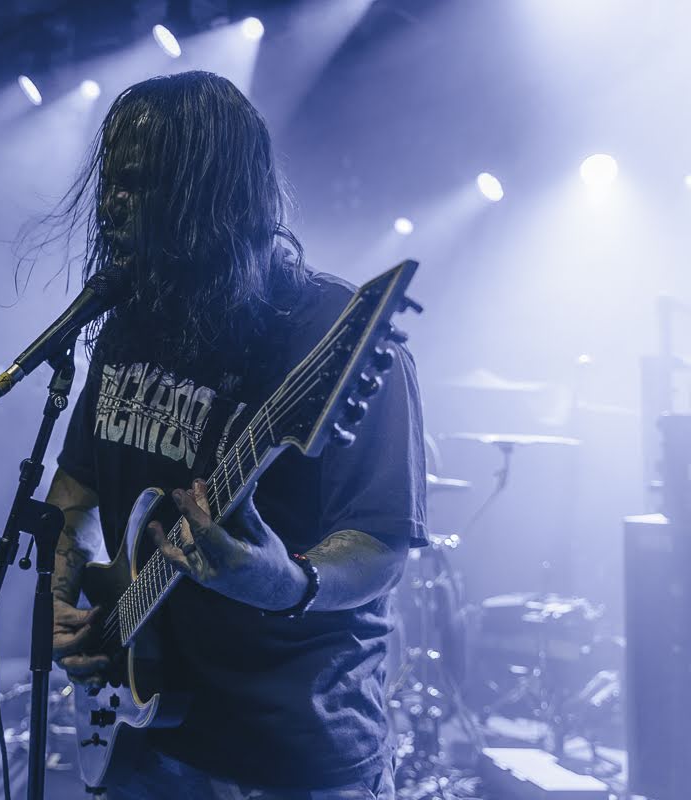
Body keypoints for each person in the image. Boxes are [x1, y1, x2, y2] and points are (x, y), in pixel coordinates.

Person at [41, 72, 427, 799]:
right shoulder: (131, 323)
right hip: (142, 737)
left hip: (286, 752)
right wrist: (64, 603)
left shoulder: (331, 338)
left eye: (137, 183)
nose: (111, 204)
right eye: (110, 182)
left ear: (213, 194)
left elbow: (381, 545)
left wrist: (286, 582)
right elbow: (76, 486)